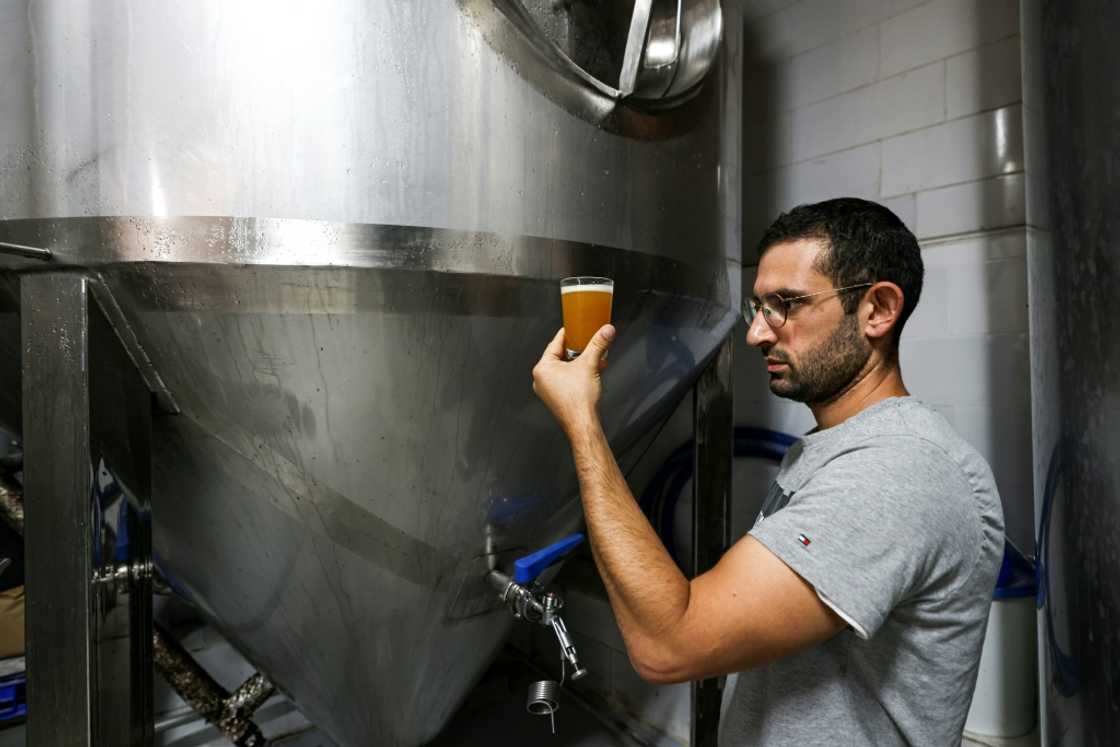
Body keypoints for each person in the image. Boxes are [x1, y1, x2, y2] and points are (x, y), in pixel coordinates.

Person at [531, 197, 1005, 746]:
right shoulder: (840, 448)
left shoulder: (897, 470)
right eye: (759, 307)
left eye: (785, 304)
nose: (756, 334)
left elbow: (669, 644)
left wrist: (582, 424)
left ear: (877, 309)